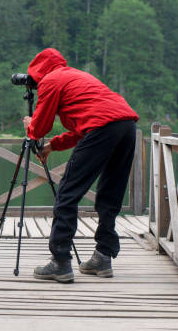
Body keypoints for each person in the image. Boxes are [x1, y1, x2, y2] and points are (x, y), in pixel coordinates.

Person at [22, 48, 138, 283]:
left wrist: (29, 124)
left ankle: (60, 262)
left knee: (67, 191)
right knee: (110, 192)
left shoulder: (51, 81)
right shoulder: (76, 77)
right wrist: (52, 146)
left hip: (103, 127)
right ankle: (103, 257)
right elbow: (83, 127)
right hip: (126, 125)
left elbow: (39, 127)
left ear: (37, 72)